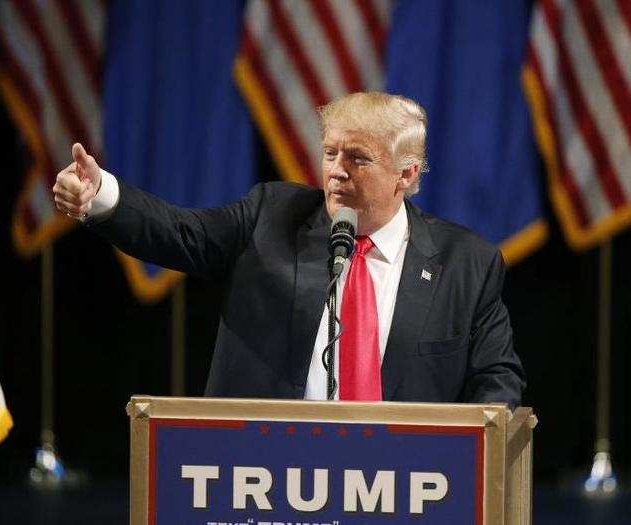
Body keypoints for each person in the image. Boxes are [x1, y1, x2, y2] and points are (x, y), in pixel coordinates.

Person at [53, 91, 525, 408]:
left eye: (357, 158)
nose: (336, 170)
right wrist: (101, 195)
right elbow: (181, 233)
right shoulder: (272, 216)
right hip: (267, 474)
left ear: (406, 174)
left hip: (401, 486)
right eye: (330, 152)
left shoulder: (466, 263)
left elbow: (497, 383)